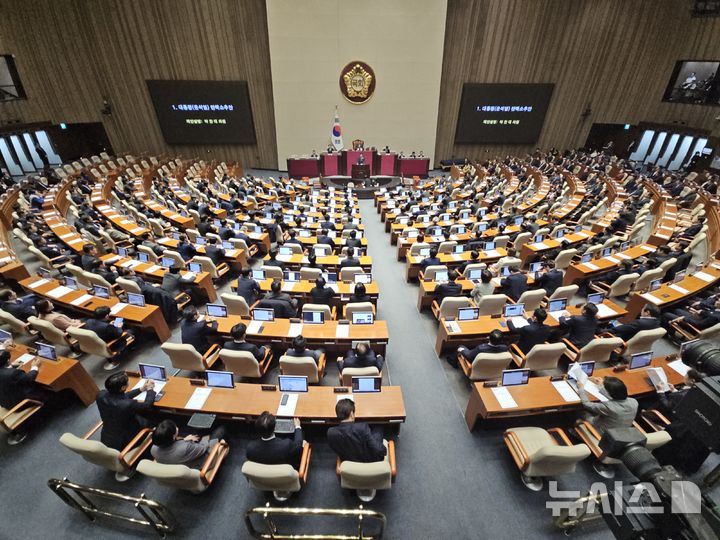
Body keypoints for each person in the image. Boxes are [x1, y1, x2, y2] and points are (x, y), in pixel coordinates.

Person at [96, 372, 155, 451]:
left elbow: (120, 397)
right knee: (154, 417)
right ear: (123, 387)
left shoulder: (101, 395)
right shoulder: (128, 404)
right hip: (126, 440)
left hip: (107, 437)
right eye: (128, 381)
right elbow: (147, 405)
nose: (129, 381)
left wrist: (141, 389)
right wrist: (150, 389)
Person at [327, 399, 386, 463]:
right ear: (352, 414)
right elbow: (380, 451)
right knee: (378, 428)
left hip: (348, 461)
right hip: (371, 460)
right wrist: (384, 450)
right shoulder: (362, 427)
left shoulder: (331, 432)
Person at [151, 419, 226, 465]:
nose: (177, 428)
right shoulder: (185, 447)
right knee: (221, 428)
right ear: (173, 436)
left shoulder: (153, 449)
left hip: (179, 460)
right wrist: (205, 438)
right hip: (202, 461)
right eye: (175, 428)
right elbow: (203, 447)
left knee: (196, 434)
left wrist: (184, 440)